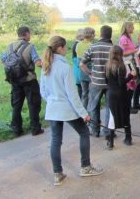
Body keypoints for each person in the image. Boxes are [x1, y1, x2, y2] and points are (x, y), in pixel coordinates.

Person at [39, 36, 103, 186]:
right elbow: (72, 95)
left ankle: (57, 174)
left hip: (53, 108)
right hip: (66, 108)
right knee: (84, 133)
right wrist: (84, 114)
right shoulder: (65, 67)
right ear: (60, 48)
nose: (67, 49)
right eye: (65, 47)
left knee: (56, 140)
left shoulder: (46, 65)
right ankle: (85, 167)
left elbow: (43, 90)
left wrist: (52, 102)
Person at [1, 26, 43, 136]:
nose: (30, 36)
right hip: (29, 80)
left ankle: (16, 129)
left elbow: (4, 61)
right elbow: (38, 63)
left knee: (16, 105)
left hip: (14, 80)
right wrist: (48, 65)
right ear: (26, 34)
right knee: (33, 104)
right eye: (30, 34)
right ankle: (35, 128)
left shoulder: (9, 47)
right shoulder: (30, 47)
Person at [80, 25, 113, 138]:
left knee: (93, 106)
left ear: (100, 34)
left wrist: (90, 74)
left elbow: (82, 64)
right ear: (110, 35)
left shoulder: (92, 47)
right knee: (109, 107)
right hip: (110, 83)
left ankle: (95, 130)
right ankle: (108, 132)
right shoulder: (113, 48)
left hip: (95, 82)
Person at [105, 45, 137, 150]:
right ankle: (128, 138)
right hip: (121, 94)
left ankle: (111, 142)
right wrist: (131, 75)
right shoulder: (121, 66)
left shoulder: (107, 65)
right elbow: (122, 83)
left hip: (110, 94)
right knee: (125, 115)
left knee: (112, 117)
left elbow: (106, 81)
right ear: (120, 54)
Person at [119, 22, 140, 113]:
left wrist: (136, 46)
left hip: (133, 62)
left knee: (137, 82)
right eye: (132, 27)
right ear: (128, 27)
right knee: (130, 83)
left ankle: (135, 103)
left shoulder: (128, 37)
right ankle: (128, 107)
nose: (133, 28)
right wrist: (135, 50)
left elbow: (130, 50)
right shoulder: (124, 38)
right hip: (128, 63)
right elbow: (122, 53)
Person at [76, 27, 96, 109]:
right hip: (91, 72)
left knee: (84, 94)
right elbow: (94, 61)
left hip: (81, 72)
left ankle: (84, 114)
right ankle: (91, 114)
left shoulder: (78, 45)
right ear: (91, 35)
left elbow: (79, 61)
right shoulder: (92, 46)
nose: (94, 36)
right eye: (94, 34)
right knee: (92, 95)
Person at [72, 29, 85, 98]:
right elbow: (74, 58)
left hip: (78, 67)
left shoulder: (77, 43)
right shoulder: (77, 44)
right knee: (81, 88)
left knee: (81, 88)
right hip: (79, 68)